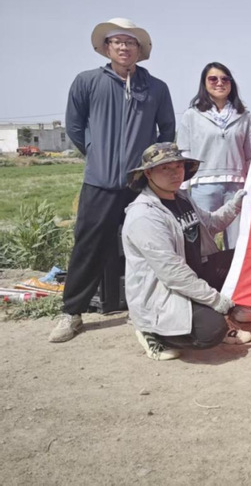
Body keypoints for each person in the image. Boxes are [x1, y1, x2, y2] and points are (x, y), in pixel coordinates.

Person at [50, 18, 175, 343]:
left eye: (130, 42)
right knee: (88, 245)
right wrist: (95, 153)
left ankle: (150, 307)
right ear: (107, 48)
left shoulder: (156, 88)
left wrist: (151, 165)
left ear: (139, 49)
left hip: (139, 183)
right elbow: (74, 125)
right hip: (99, 182)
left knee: (150, 244)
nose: (123, 47)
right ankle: (72, 312)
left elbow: (167, 129)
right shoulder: (87, 82)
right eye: (117, 41)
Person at [122, 142, 251, 361]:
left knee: (242, 259)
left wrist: (235, 205)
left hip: (193, 274)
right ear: (148, 173)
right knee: (211, 330)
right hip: (163, 291)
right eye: (165, 168)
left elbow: (211, 223)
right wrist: (215, 300)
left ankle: (212, 309)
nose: (175, 173)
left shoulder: (182, 198)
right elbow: (172, 273)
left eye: (179, 166)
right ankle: (150, 331)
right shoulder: (145, 216)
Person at [177, 62, 251, 250]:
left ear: (231, 83)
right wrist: (181, 189)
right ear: (204, 83)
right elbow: (184, 152)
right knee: (202, 240)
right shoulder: (192, 115)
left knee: (237, 242)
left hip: (237, 186)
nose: (219, 83)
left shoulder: (244, 116)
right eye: (213, 79)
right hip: (203, 184)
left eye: (224, 79)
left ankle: (233, 270)